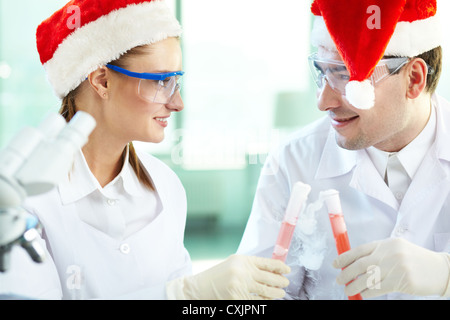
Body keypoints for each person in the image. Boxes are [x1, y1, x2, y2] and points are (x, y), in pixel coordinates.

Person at [0, 0, 290, 300]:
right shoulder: (22, 198)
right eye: (161, 81)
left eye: (175, 82)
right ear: (102, 81)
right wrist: (184, 294)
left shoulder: (166, 187)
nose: (177, 103)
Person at [238, 0, 450, 300]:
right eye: (323, 72)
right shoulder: (292, 163)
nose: (323, 101)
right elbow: (256, 296)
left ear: (414, 79)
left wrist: (445, 275)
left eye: (345, 75)